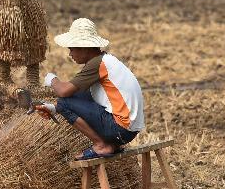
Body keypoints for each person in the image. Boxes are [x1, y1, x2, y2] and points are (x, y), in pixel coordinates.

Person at [37, 18, 145, 160]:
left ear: (84, 48)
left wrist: (51, 79)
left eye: (72, 49)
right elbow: (81, 97)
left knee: (65, 100)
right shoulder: (106, 60)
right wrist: (54, 108)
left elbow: (63, 91)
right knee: (78, 94)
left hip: (120, 129)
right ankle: (111, 144)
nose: (70, 54)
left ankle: (100, 145)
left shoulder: (97, 64)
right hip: (128, 131)